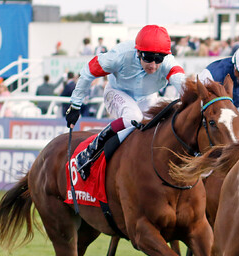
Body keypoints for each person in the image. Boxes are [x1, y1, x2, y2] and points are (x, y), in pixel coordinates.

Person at [65, 25, 186, 180]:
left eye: (158, 60)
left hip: (147, 97)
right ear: (138, 52)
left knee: (162, 121)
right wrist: (75, 105)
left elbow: (184, 86)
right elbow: (88, 71)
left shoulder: (169, 62)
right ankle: (89, 152)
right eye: (148, 58)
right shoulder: (119, 56)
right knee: (133, 117)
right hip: (116, 92)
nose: (153, 65)